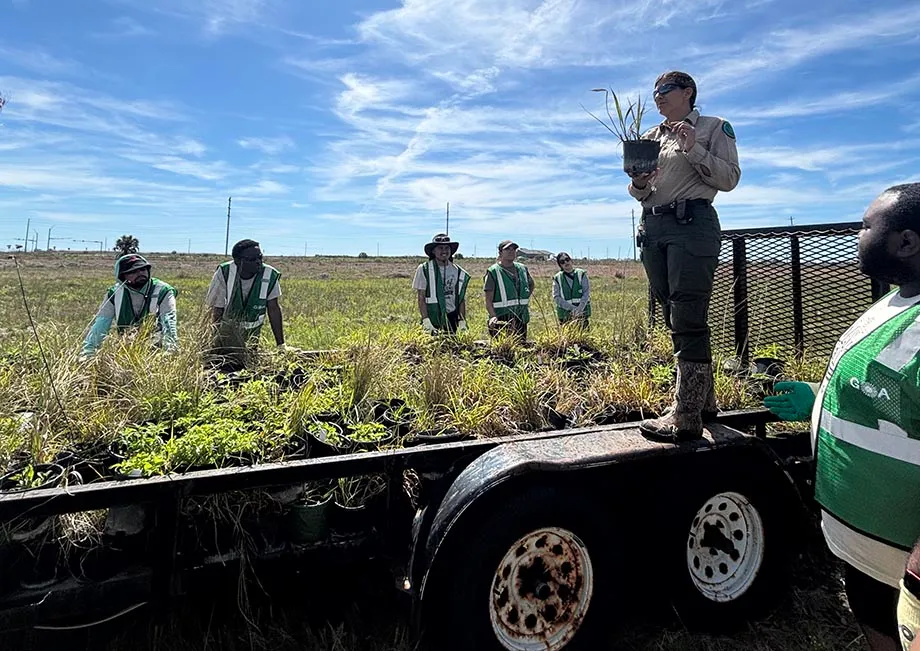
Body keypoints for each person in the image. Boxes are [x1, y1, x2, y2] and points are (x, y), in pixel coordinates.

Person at [764, 184, 920, 651]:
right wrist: (818, 397)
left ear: (907, 242)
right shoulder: (895, 303)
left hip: (904, 560)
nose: (856, 234)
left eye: (866, 226)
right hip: (870, 550)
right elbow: (891, 398)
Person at [627, 70, 741, 443]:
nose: (657, 96)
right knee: (672, 311)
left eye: (664, 90)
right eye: (654, 91)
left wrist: (693, 147)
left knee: (688, 312)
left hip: (692, 222)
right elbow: (641, 192)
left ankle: (686, 414)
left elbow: (729, 179)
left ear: (687, 92)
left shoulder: (713, 127)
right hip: (654, 226)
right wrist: (640, 183)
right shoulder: (650, 137)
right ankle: (703, 402)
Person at [81, 254, 178, 358]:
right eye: (133, 271)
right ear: (122, 277)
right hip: (126, 350)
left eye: (143, 269)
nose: (140, 273)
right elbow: (101, 325)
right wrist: (88, 353)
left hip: (156, 351)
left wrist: (170, 352)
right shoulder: (114, 294)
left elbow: (169, 321)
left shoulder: (163, 291)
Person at [206, 239, 287, 350]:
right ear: (238, 261)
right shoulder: (224, 272)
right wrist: (213, 343)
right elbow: (216, 310)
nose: (258, 262)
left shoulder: (269, 274)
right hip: (224, 340)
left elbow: (273, 309)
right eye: (252, 259)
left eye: (260, 257)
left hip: (251, 340)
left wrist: (281, 345)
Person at [412, 233, 471, 334]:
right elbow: (421, 298)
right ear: (433, 251)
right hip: (433, 317)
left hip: (452, 317)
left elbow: (461, 299)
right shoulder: (424, 269)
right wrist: (426, 320)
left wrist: (462, 321)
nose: (444, 251)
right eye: (440, 248)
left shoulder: (458, 271)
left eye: (447, 248)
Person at [484, 240, 534, 339]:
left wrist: (523, 297)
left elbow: (531, 285)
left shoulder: (522, 268)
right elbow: (488, 299)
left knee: (521, 349)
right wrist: (493, 316)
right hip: (501, 319)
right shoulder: (493, 271)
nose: (511, 251)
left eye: (514, 249)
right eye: (507, 249)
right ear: (500, 253)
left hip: (521, 317)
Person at [552, 252, 591, 328]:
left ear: (571, 260)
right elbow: (556, 297)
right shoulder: (557, 278)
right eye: (562, 262)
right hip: (565, 315)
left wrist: (579, 309)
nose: (566, 262)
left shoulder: (581, 274)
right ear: (560, 265)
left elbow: (586, 293)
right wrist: (572, 309)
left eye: (567, 259)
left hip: (582, 313)